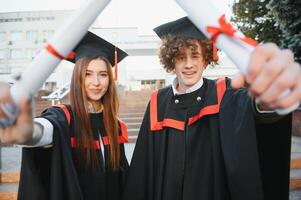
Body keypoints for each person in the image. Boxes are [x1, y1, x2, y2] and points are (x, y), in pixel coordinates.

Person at [122, 17, 301, 200]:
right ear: (172, 61)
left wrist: (271, 93)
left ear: (206, 58)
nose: (189, 64)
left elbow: (255, 109)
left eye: (195, 56)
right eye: (181, 57)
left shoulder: (224, 93)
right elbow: (142, 170)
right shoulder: (158, 102)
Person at [0, 31, 129, 200]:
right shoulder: (64, 117)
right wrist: (27, 132)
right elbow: (44, 130)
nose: (96, 82)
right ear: (77, 78)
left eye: (103, 74)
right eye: (87, 74)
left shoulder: (114, 125)